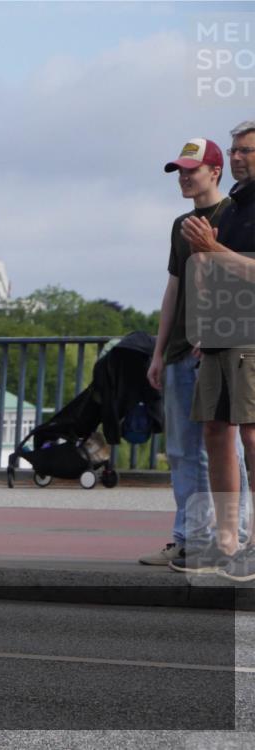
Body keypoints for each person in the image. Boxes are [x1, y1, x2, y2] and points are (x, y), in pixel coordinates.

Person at [143, 138, 250, 567]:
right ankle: (189, 536)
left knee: (227, 445)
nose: (184, 178)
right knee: (183, 450)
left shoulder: (234, 213)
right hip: (179, 350)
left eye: (192, 170)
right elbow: (174, 287)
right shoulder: (182, 224)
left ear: (215, 171)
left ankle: (236, 535)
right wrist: (158, 350)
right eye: (180, 172)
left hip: (219, 344)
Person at [180, 120, 255, 582]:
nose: (237, 157)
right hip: (219, 335)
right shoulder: (233, 205)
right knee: (215, 431)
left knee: (252, 436)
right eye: (234, 150)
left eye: (246, 150)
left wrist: (212, 246)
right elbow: (208, 269)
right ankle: (228, 540)